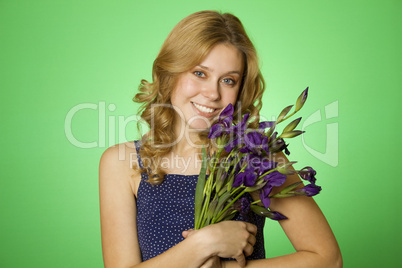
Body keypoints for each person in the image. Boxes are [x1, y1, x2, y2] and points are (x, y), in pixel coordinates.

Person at [99, 10, 342, 268]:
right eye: (199, 73)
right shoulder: (121, 163)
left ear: (240, 89)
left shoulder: (256, 157)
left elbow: (328, 259)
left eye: (228, 80)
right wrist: (204, 244)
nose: (212, 93)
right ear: (171, 72)